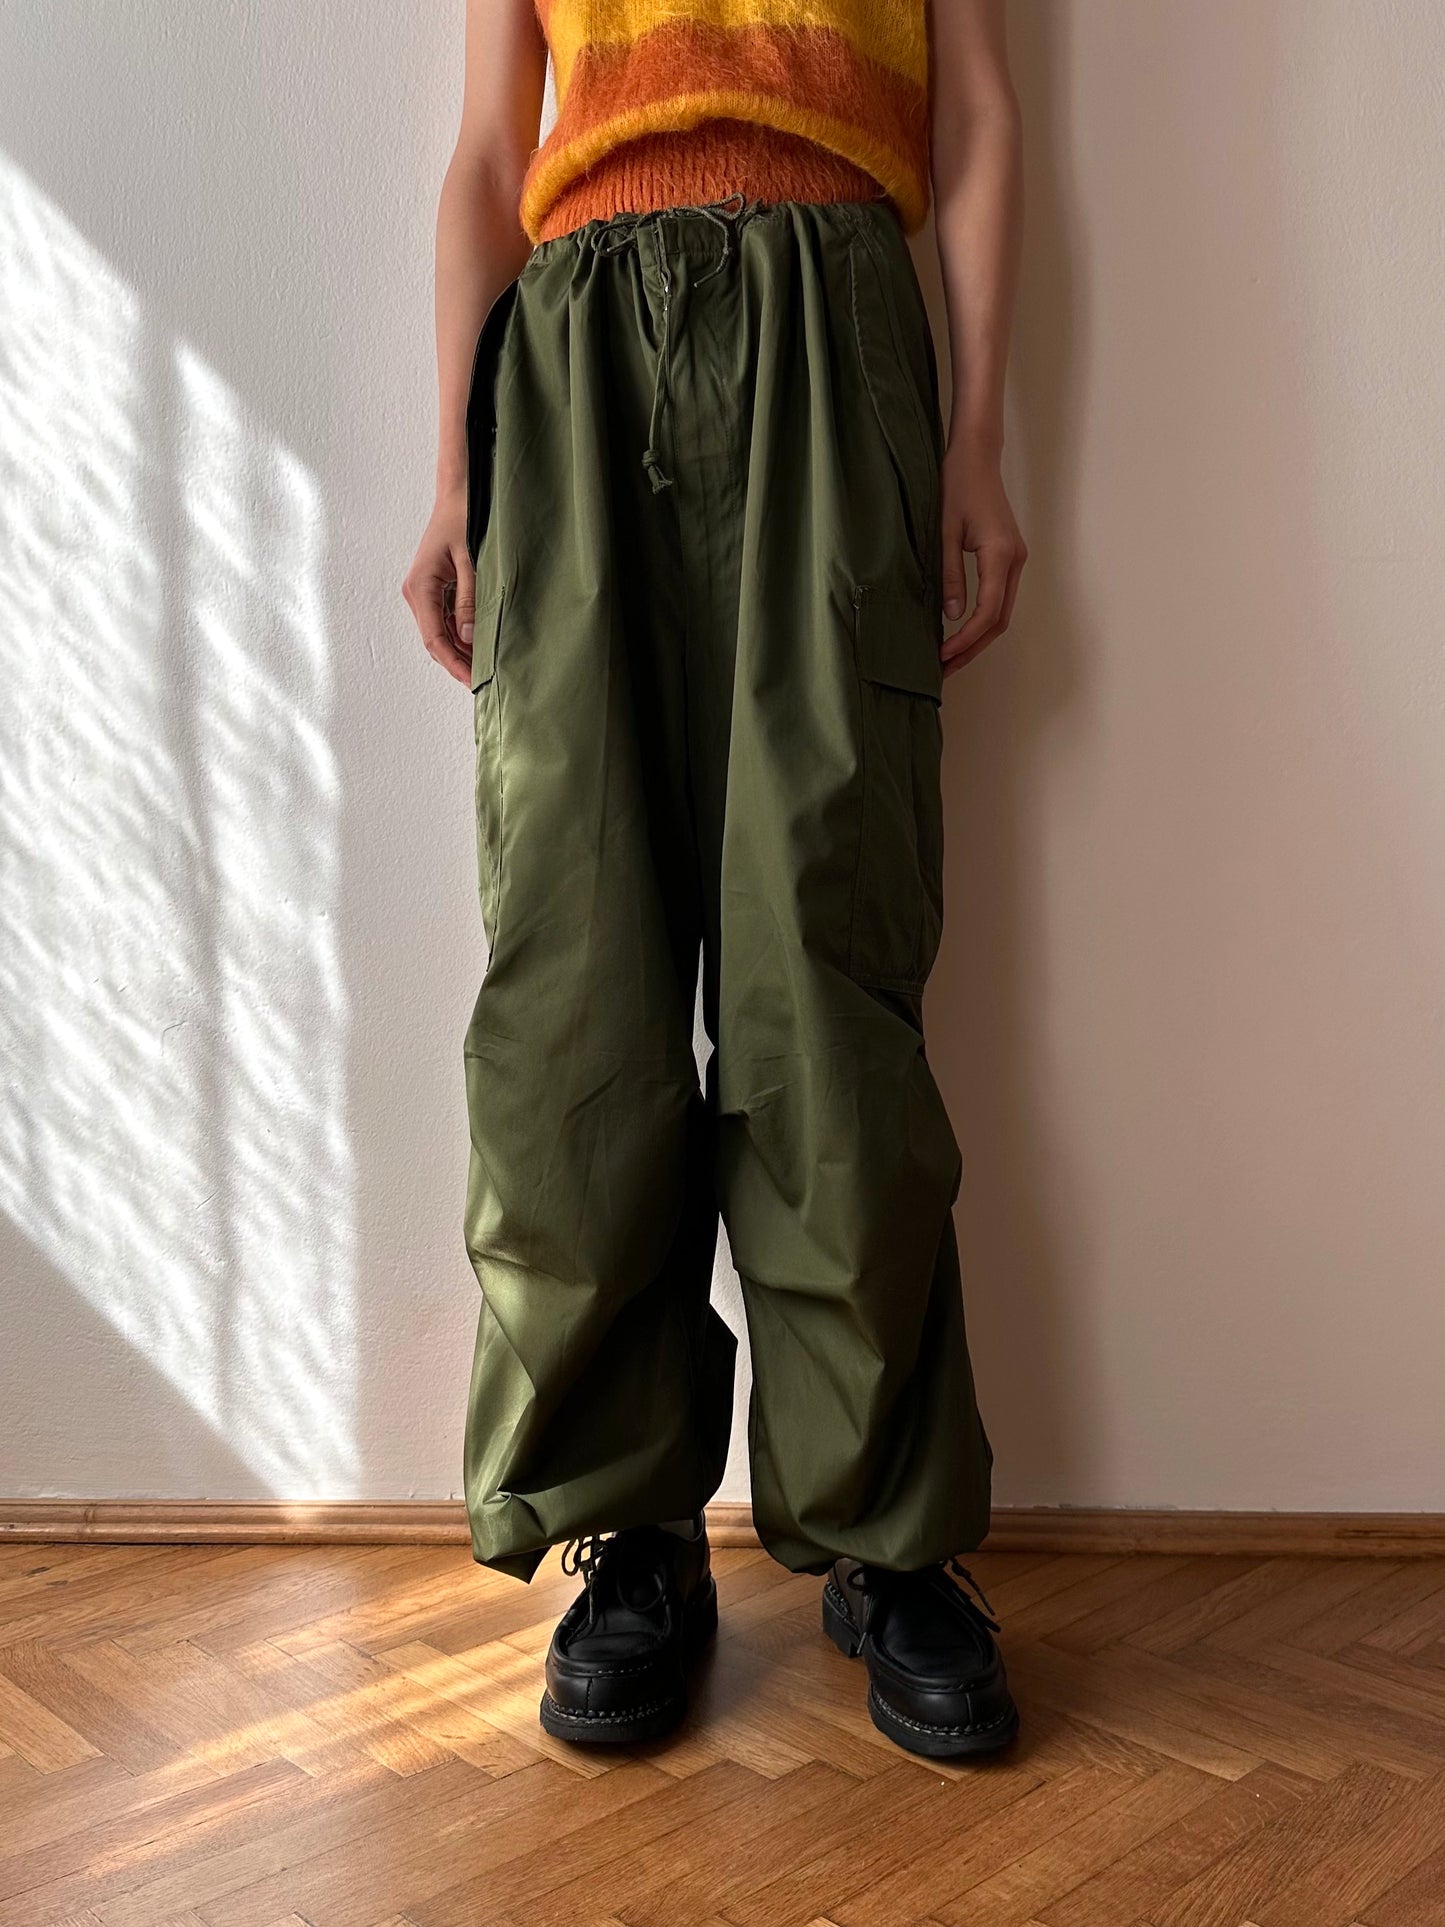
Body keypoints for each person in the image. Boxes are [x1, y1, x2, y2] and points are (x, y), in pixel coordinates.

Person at [402, 0, 1027, 1760]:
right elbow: (487, 150)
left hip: (839, 328)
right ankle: (633, 1530)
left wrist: (979, 438)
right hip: (573, 352)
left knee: (824, 963)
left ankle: (884, 1535)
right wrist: (456, 471)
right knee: (576, 975)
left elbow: (976, 121)